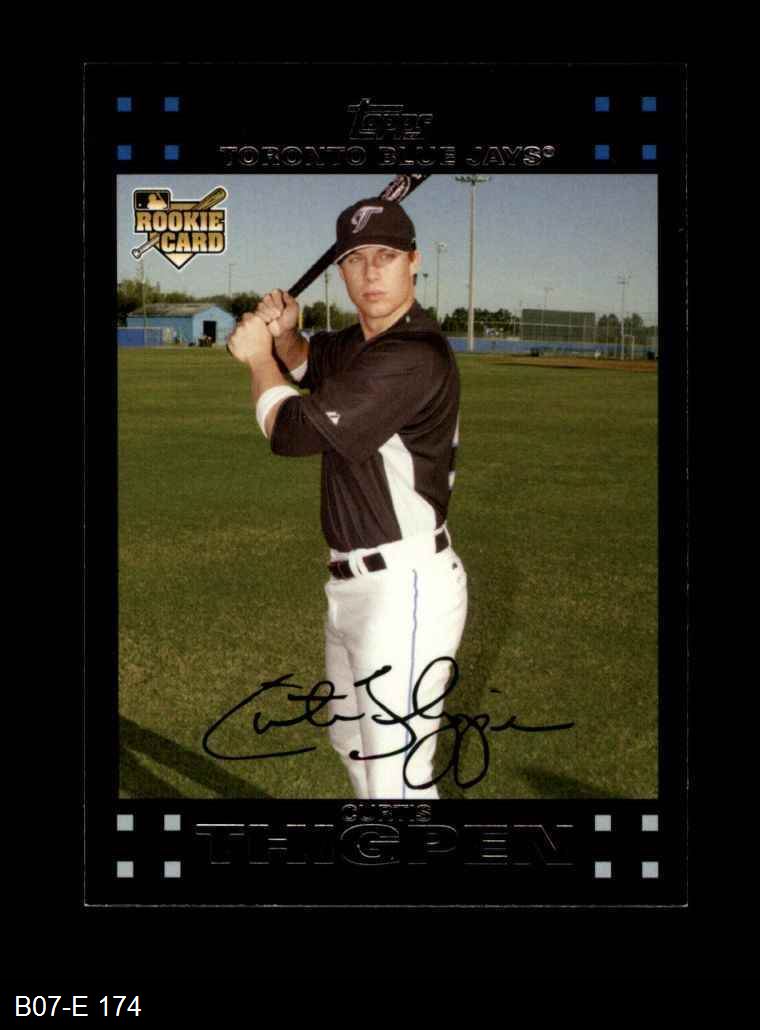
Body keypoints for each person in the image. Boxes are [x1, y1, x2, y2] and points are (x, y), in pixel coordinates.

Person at [226, 197, 468, 800]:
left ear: (414, 262)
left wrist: (256, 357)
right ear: (340, 271)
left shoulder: (412, 354)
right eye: (356, 259)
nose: (371, 272)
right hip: (355, 588)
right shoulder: (359, 343)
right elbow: (309, 363)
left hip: (404, 591)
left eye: (386, 256)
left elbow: (290, 431)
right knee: (354, 748)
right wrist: (285, 335)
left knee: (397, 781)